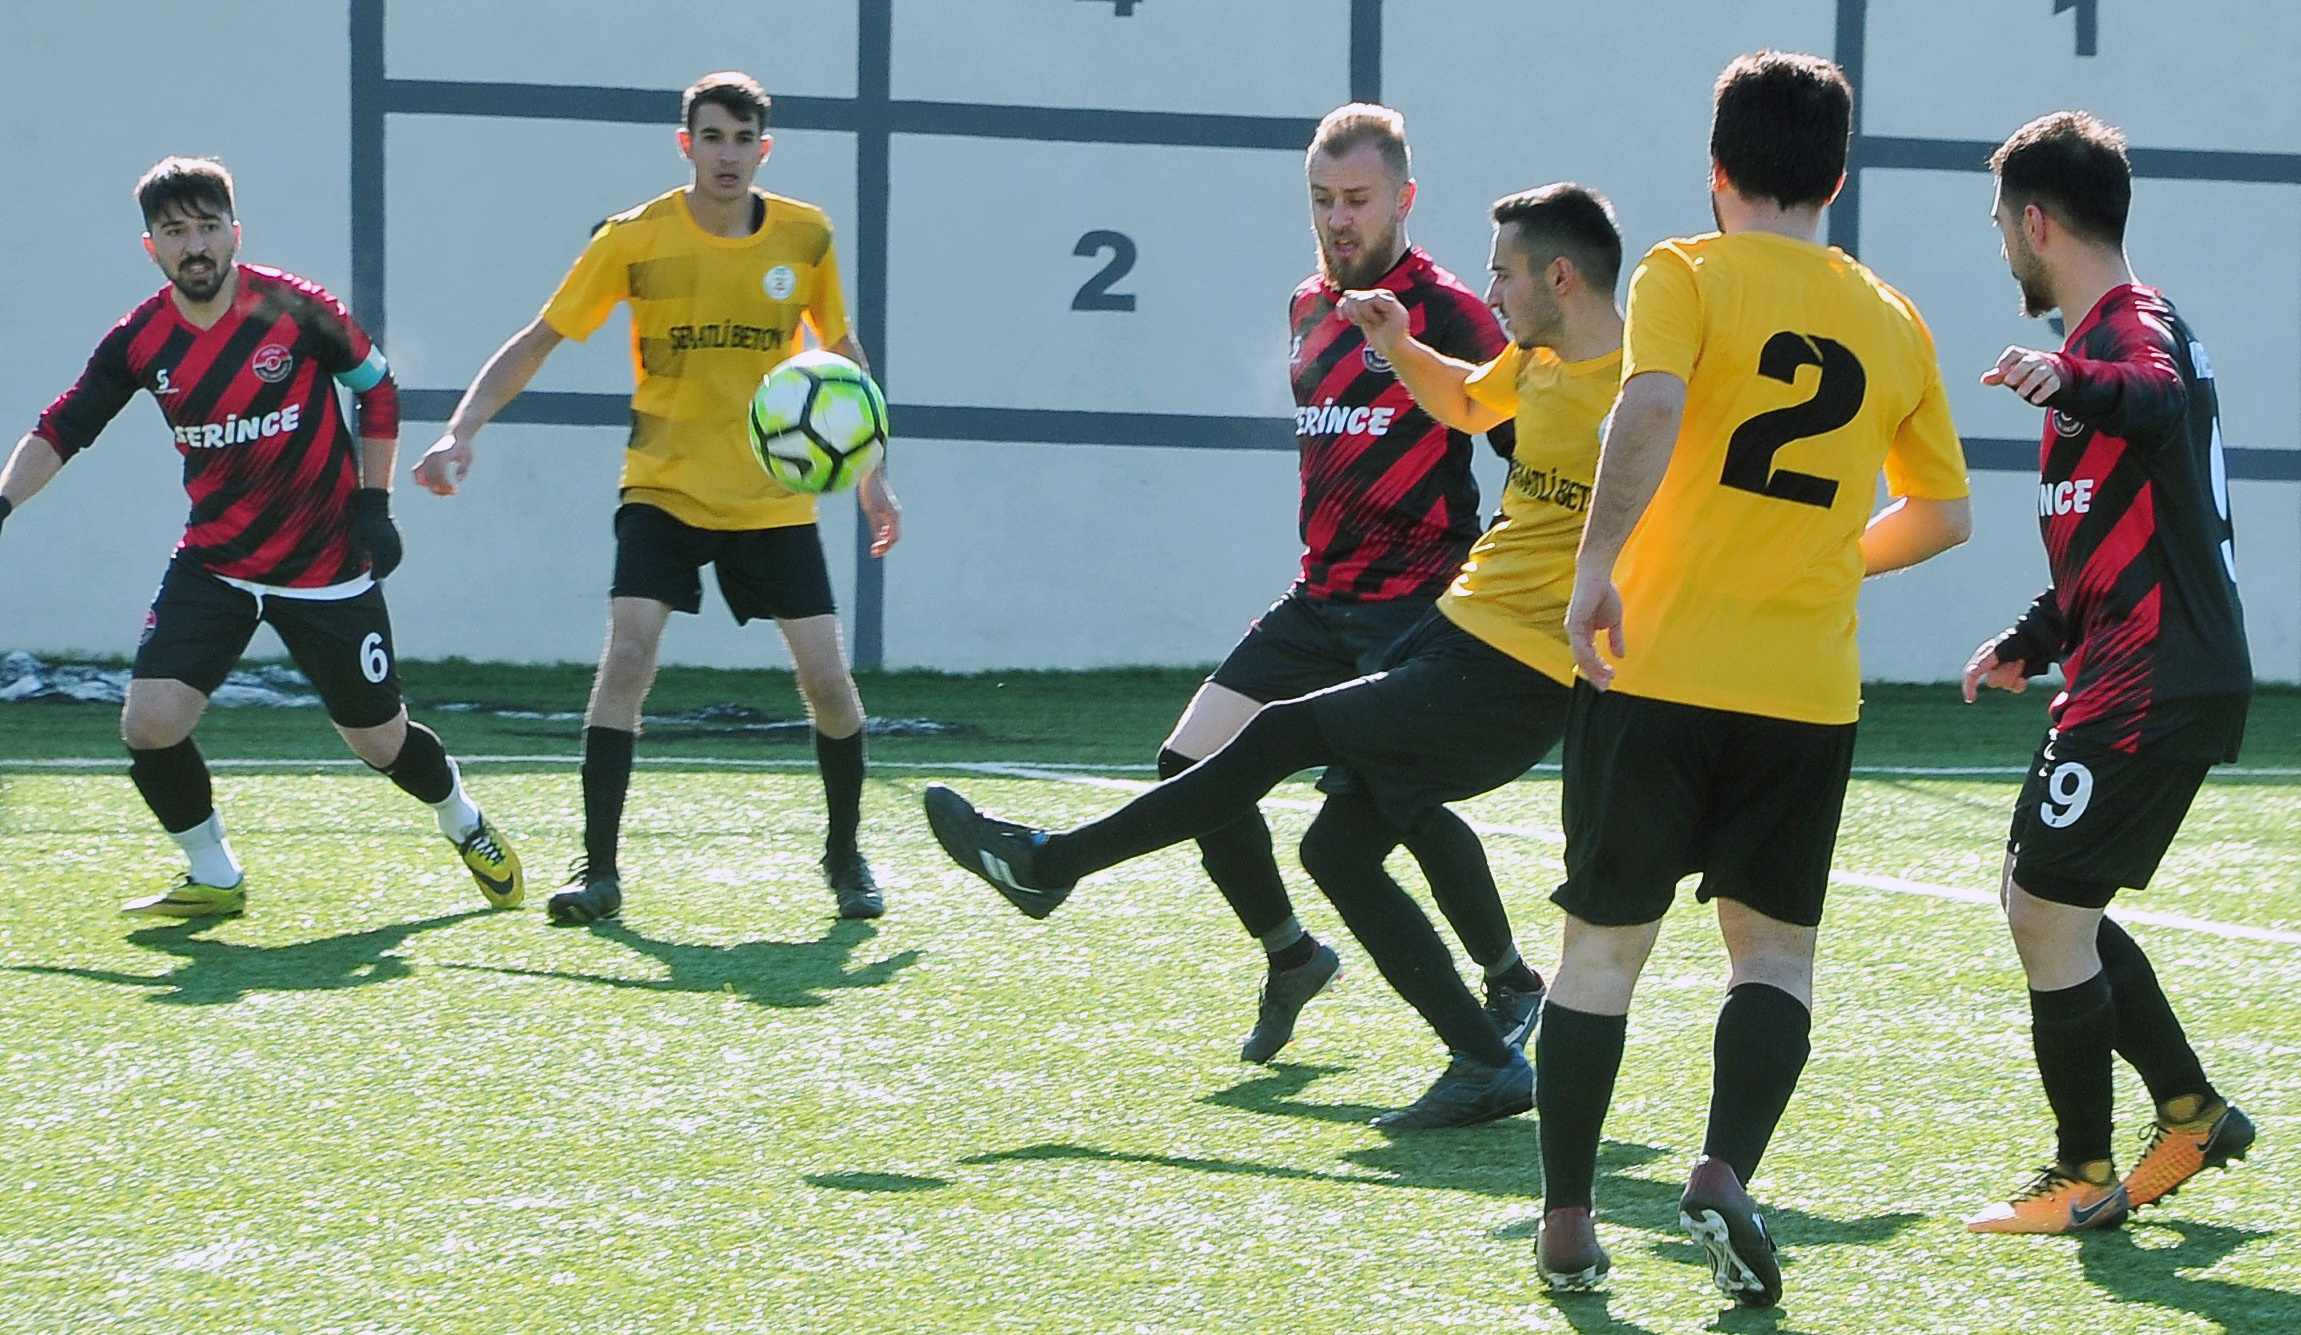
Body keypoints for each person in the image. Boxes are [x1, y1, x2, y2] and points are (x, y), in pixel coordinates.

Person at [921, 181, 1627, 1131]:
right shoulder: (1533, 362)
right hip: (1455, 634)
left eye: (1504, 274)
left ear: (1560, 274)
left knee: (1283, 732)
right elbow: (1462, 402)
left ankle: (1051, 865)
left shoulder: (1639, 394)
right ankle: (1483, 1057)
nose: (1492, 294)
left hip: (1517, 675)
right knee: (1333, 843)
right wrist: (1395, 343)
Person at [1543, 53, 1972, 1305]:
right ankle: (1726, 1170)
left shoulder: (1684, 272)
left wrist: (1595, 567)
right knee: (1773, 961)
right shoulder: (1893, 318)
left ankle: (1569, 1223)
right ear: (1837, 175)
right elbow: (1943, 514)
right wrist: (1831, 556)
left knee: (1599, 956)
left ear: (1717, 168)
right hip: (1804, 689)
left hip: (1657, 663)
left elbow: (1650, 410)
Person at [413, 71, 901, 924]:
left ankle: (844, 855)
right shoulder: (633, 239)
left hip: (771, 499)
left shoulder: (806, 236)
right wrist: (462, 429)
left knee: (827, 678)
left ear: (763, 149)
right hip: (663, 486)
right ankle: (598, 870)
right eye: (711, 137)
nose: (727, 155)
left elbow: (839, 355)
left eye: (742, 140)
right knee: (629, 656)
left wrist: (872, 475)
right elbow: (541, 338)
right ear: (686, 144)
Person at [1128, 102, 1542, 1066]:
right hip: (1317, 597)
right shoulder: (1305, 305)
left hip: (1416, 600)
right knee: (1189, 765)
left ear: (1403, 198)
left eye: (1357, 199)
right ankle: (1290, 954)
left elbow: (1531, 450)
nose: (1338, 219)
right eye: (1321, 200)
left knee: (1382, 797)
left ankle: (1511, 979)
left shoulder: (1451, 311)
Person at [0, 157, 522, 918]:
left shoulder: (295, 308)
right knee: (149, 722)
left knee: (378, 742)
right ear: (152, 248)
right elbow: (62, 429)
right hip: (217, 564)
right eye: (175, 231)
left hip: (326, 567)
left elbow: (376, 388)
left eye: (208, 226)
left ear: (235, 233)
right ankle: (214, 874)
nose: (196, 245)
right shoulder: (141, 339)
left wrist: (375, 504)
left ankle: (463, 821)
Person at [1960, 111, 2254, 1236]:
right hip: (2131, 665)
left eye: (2002, 226)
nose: (2002, 251)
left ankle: (2084, 1174)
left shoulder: (2134, 332)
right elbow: (2110, 533)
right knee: (2052, 903)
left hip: (2154, 675)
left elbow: (2156, 400)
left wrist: (2070, 379)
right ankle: (2191, 1112)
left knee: (2043, 907)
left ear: (2036, 221)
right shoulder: (2104, 347)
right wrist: (2030, 638)